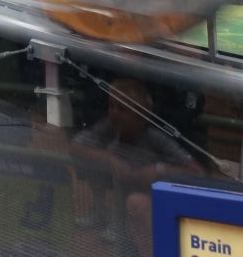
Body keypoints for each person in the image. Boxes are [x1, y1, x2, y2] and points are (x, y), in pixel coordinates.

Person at [71, 79, 203, 252]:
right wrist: (110, 158)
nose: (114, 113)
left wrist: (159, 169)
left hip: (154, 206)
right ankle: (113, 219)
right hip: (124, 201)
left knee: (137, 203)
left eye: (123, 109)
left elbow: (196, 171)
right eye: (111, 106)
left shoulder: (156, 138)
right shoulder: (109, 127)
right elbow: (76, 146)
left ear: (141, 118)